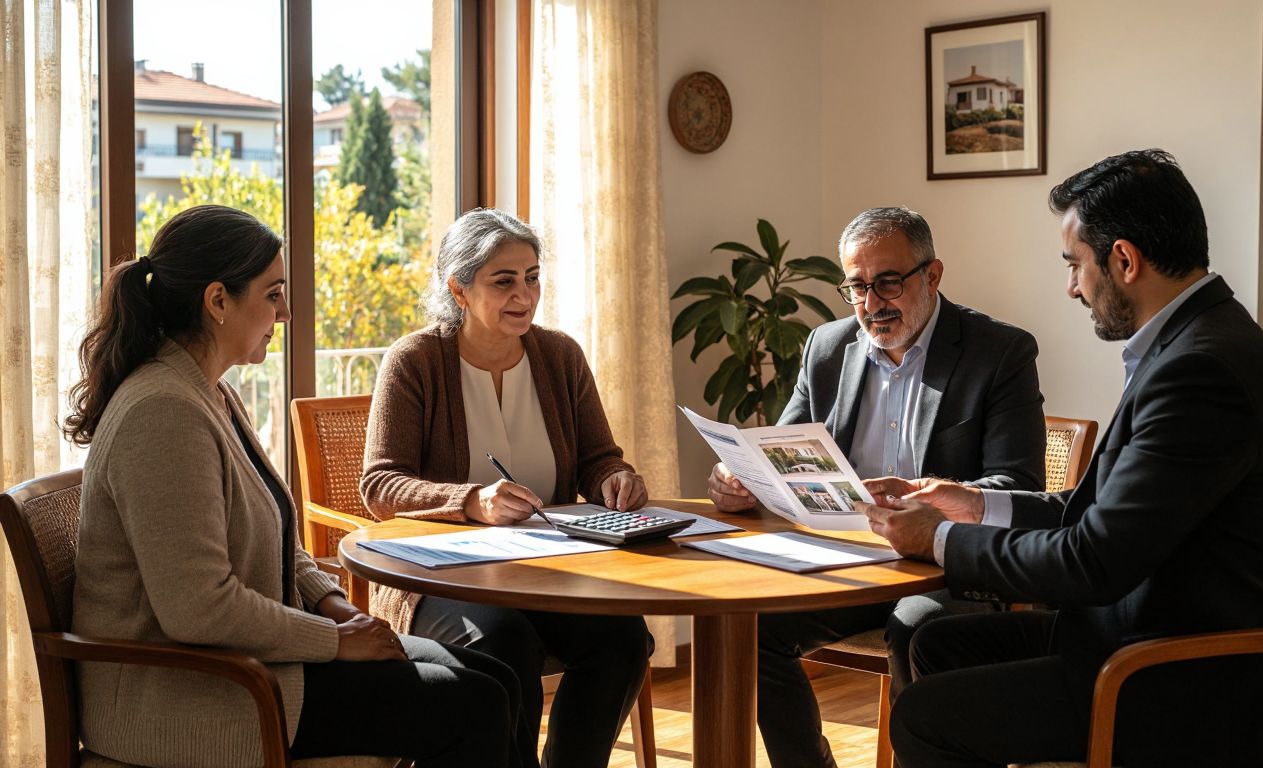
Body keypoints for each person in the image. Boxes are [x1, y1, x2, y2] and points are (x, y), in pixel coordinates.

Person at [864, 150, 1263, 768]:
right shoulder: (1195, 341)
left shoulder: (1200, 370)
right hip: (1144, 634)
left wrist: (940, 540)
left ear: (1125, 260)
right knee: (935, 641)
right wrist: (973, 503)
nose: (1071, 286)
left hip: (1186, 679)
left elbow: (1093, 559)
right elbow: (1098, 513)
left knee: (925, 716)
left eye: (1074, 264)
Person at [65, 205, 520, 768]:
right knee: (474, 705)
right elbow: (198, 609)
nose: (285, 313)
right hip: (189, 695)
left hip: (249, 666)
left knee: (496, 677)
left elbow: (280, 538)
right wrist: (333, 641)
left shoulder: (211, 393)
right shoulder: (163, 412)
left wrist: (333, 606)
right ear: (217, 301)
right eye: (273, 293)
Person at [706, 206, 1046, 767]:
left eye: (888, 282)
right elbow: (783, 450)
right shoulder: (826, 347)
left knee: (917, 628)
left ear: (932, 276)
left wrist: (930, 503)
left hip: (943, 565)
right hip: (843, 559)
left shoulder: (999, 351)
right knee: (752, 630)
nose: (871, 304)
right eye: (857, 287)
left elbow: (1018, 484)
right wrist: (741, 479)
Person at [360, 208, 651, 768]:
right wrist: (470, 500)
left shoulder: (560, 356)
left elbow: (598, 458)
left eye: (533, 277)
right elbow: (380, 485)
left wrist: (614, 478)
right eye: (505, 280)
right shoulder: (415, 362)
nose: (525, 294)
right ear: (459, 289)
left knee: (623, 640)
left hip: (550, 573)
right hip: (441, 580)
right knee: (503, 643)